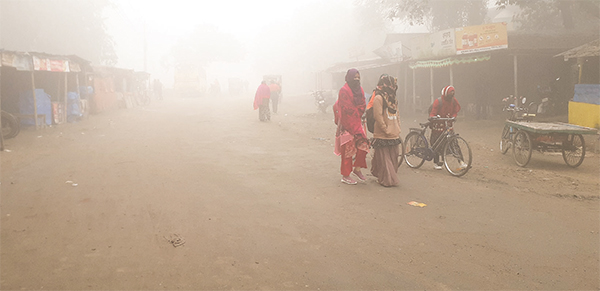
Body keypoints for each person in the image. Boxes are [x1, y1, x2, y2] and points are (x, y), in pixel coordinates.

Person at [334, 68, 369, 185]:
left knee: (364, 145)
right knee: (348, 150)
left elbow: (363, 104)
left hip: (357, 123)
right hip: (346, 125)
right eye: (354, 77)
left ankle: (357, 169)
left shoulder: (360, 90)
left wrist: (358, 113)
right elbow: (346, 109)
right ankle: (345, 175)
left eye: (358, 77)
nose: (357, 79)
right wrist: (356, 114)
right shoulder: (343, 91)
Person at [370, 75, 402, 187]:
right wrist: (385, 129)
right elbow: (377, 116)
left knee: (393, 158)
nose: (393, 87)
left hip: (394, 133)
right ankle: (388, 180)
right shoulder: (378, 98)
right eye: (391, 85)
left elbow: (397, 114)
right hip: (382, 134)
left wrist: (398, 126)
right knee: (385, 160)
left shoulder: (393, 98)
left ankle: (381, 175)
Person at [429, 85, 461, 170]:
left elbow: (455, 111)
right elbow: (432, 113)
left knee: (455, 143)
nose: (452, 94)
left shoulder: (453, 101)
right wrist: (434, 117)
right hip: (438, 126)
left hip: (448, 125)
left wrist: (453, 117)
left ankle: (461, 162)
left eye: (453, 92)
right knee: (436, 144)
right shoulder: (438, 101)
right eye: (451, 92)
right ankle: (436, 163)